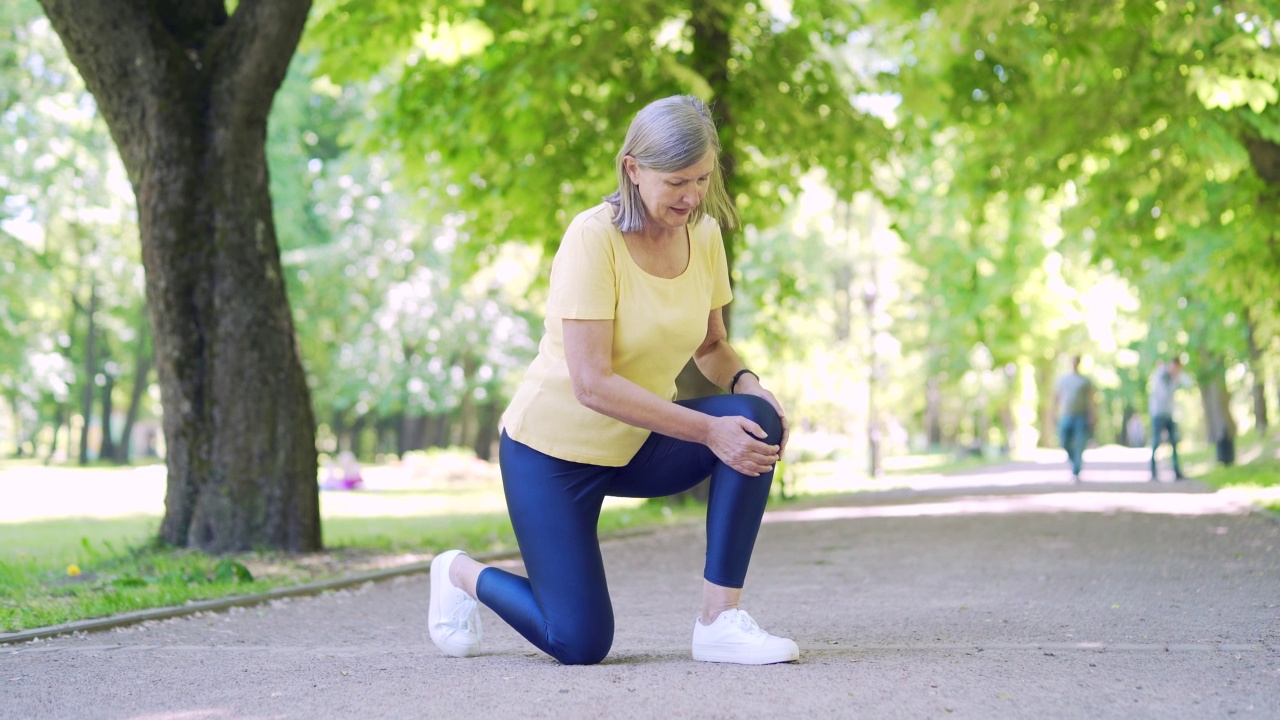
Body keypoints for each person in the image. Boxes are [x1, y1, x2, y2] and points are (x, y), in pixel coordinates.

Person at [427, 95, 796, 666]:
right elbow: (592, 383)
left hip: (637, 444)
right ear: (633, 169)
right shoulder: (592, 238)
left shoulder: (704, 238)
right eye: (676, 181)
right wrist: (708, 431)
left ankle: (719, 622)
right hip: (550, 455)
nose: (692, 196)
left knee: (757, 420)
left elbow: (711, 345)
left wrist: (748, 383)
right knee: (579, 642)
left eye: (701, 178)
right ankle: (458, 574)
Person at [1052, 355, 1095, 482]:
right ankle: (1074, 460)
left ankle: (1076, 470)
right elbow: (1056, 397)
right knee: (1064, 440)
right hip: (1066, 415)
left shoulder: (1085, 381)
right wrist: (1053, 413)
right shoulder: (1063, 380)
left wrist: (1093, 415)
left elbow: (1092, 399)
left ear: (1079, 363)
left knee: (1079, 443)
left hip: (1081, 416)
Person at [1148, 357, 1191, 481]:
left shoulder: (1175, 375)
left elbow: (1188, 381)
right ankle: (1153, 472)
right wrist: (1174, 381)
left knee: (1174, 442)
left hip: (1169, 413)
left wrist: (1179, 377)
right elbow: (1163, 394)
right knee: (1156, 442)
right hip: (1158, 413)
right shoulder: (1160, 375)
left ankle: (1176, 471)